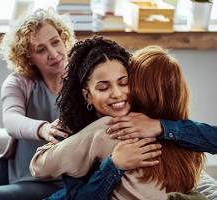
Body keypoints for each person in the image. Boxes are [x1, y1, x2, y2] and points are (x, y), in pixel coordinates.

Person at [30, 39, 217, 199]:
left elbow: (39, 166)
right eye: (104, 87)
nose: (117, 94)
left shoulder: (112, 128)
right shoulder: (181, 137)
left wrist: (114, 165)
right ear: (87, 95)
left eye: (124, 83)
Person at [0, 8, 75, 200]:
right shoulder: (19, 82)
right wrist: (43, 129)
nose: (53, 53)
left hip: (54, 180)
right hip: (14, 166)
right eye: (40, 50)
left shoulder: (84, 80)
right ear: (28, 57)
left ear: (63, 38)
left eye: (55, 42)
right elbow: (11, 119)